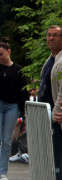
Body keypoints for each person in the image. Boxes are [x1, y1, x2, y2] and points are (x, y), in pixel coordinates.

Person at [0, 37, 29, 180]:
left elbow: (23, 92)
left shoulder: (18, 69)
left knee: (7, 139)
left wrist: (23, 113)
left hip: (12, 105)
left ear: (8, 52)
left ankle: (3, 171)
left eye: (1, 54)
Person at [40, 25, 62, 180]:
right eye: (48, 35)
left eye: (55, 35)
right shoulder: (51, 58)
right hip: (46, 116)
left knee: (58, 161)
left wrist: (57, 112)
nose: (51, 38)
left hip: (56, 117)